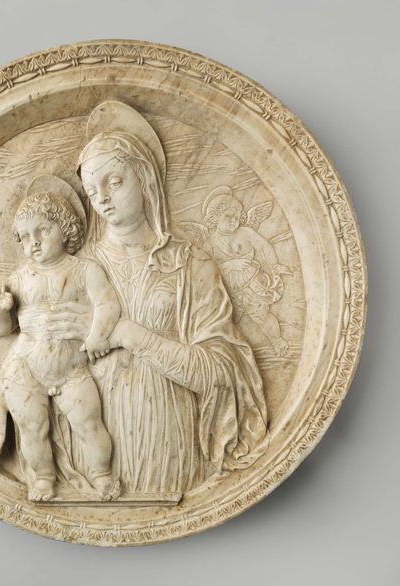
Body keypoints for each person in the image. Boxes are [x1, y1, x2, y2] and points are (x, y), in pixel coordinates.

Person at [40, 101, 270, 496]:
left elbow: (223, 373)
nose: (103, 198)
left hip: (169, 444)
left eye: (114, 182)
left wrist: (127, 333)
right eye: (92, 190)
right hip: (93, 452)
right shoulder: (73, 271)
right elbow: (35, 357)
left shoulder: (190, 264)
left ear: (144, 177)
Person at [0, 176, 121, 502]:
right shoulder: (18, 279)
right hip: (26, 368)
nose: (33, 242)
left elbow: (107, 305)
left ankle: (102, 475)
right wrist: (0, 311)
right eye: (24, 237)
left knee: (90, 424)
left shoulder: (85, 270)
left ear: (66, 227)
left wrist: (97, 336)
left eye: (42, 231)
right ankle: (43, 478)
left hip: (72, 368)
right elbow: (3, 330)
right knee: (32, 429)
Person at [203, 188, 291, 357]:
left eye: (237, 217)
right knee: (228, 321)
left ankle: (277, 341)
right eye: (228, 216)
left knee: (261, 316)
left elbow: (264, 247)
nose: (233, 221)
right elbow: (206, 269)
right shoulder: (211, 243)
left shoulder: (245, 233)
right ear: (215, 217)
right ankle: (231, 354)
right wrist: (230, 265)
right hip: (227, 288)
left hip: (251, 284)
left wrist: (275, 265)